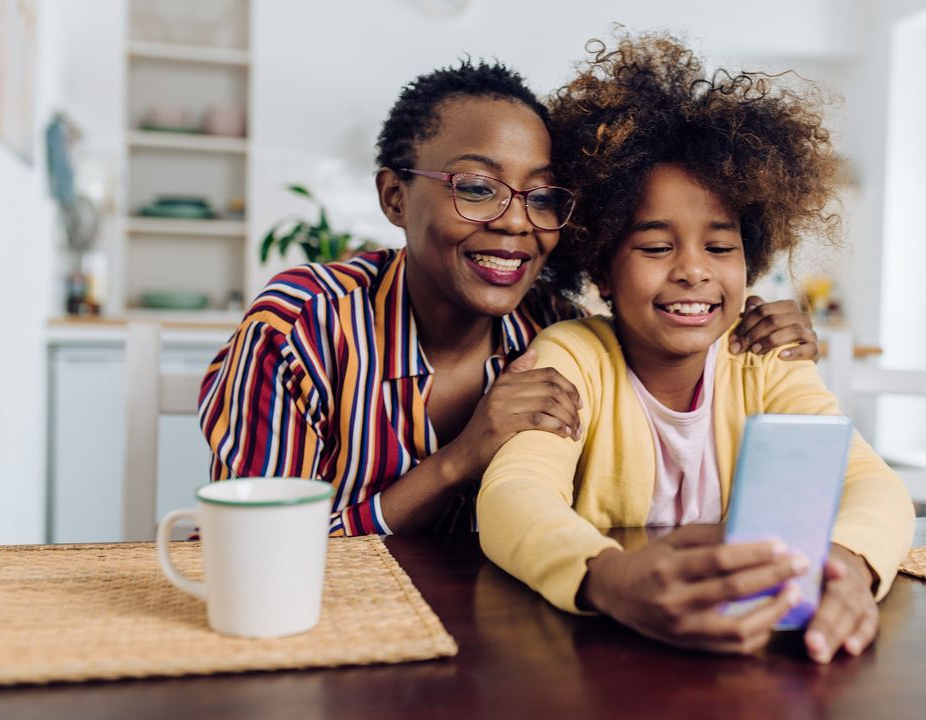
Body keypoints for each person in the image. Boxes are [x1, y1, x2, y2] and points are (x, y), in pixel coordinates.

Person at [198, 59, 821, 537]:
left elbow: (675, 360)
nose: (517, 223)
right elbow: (255, 549)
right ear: (394, 197)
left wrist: (757, 333)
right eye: (476, 187)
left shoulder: (559, 333)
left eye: (543, 196)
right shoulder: (303, 327)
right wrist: (458, 459)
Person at [478, 34, 915, 661]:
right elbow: (512, 497)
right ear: (601, 267)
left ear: (751, 258)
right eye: (656, 247)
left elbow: (875, 487)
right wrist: (607, 576)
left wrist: (846, 568)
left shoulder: (764, 361)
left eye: (720, 246)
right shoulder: (571, 356)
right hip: (611, 657)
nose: (693, 271)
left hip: (759, 650)